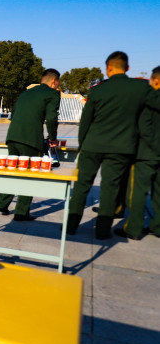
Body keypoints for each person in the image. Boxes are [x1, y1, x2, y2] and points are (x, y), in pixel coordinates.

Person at [67, 51, 160, 239]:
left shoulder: (97, 90)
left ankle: (71, 227)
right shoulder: (140, 88)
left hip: (92, 145)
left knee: (81, 186)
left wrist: (82, 145)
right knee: (110, 188)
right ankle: (102, 231)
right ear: (128, 68)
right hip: (121, 148)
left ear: (108, 68)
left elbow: (85, 122)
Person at [0, 68, 61, 221]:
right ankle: (21, 213)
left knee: (13, 170)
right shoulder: (52, 94)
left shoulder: (25, 93)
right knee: (28, 175)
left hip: (13, 137)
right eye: (58, 82)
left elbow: (15, 114)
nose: (58, 86)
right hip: (30, 140)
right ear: (53, 81)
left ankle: (3, 204)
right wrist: (52, 138)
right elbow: (52, 118)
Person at [115, 66, 160, 240]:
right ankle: (157, 226)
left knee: (137, 192)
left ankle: (133, 228)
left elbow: (145, 127)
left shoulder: (149, 100)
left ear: (155, 80)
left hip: (145, 153)